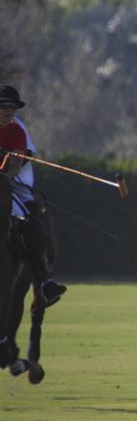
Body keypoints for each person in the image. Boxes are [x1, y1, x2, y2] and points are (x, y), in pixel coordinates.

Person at [0, 85, 67, 305]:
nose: (9, 111)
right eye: (4, 107)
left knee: (33, 223)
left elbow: (16, 163)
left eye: (13, 108)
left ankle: (44, 281)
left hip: (11, 186)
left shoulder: (16, 131)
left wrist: (4, 178)